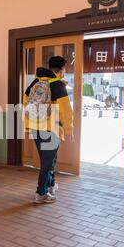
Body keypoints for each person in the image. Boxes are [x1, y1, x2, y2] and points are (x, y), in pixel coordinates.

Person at [23, 56, 74, 204]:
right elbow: (66, 110)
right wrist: (69, 130)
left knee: (48, 158)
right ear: (62, 70)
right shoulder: (58, 85)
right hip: (51, 128)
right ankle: (41, 193)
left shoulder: (36, 82)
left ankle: (51, 185)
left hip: (34, 126)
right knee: (47, 161)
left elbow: (25, 101)